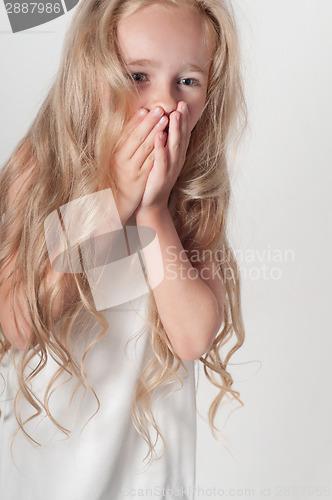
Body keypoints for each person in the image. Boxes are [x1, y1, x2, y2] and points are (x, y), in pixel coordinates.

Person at [0, 0, 247, 498]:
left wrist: (153, 211)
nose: (162, 101)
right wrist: (113, 200)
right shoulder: (43, 163)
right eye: (138, 75)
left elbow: (194, 337)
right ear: (94, 72)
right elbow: (20, 323)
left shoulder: (195, 194)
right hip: (50, 474)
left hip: (148, 477)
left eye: (188, 81)